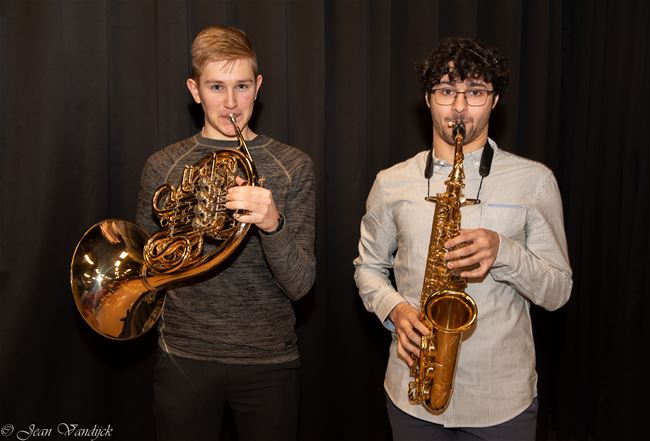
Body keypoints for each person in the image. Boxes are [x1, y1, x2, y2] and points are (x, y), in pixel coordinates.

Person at [354, 36, 572, 441]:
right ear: (427, 99)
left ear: (495, 100)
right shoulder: (391, 182)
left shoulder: (535, 182)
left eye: (474, 91)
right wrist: (396, 311)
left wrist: (504, 252)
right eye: (445, 91)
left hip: (501, 402)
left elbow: (558, 291)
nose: (458, 106)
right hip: (411, 394)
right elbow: (367, 268)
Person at [136, 26, 316, 441]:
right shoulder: (162, 165)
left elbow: (302, 285)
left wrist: (272, 224)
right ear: (195, 90)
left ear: (259, 87)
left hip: (270, 361)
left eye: (242, 86)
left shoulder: (293, 165)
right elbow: (149, 269)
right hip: (184, 356)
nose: (231, 102)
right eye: (216, 86)